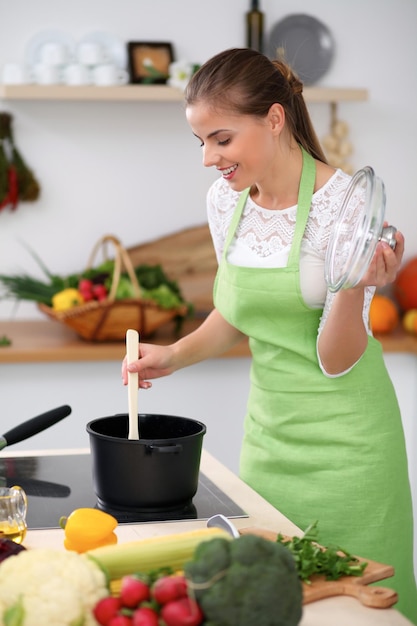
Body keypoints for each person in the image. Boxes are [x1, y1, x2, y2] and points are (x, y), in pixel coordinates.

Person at [122, 48, 417, 622]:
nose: (209, 158)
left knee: (361, 610)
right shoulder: (226, 203)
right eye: (201, 142)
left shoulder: (345, 205)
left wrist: (356, 284)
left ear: (275, 119)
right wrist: (175, 356)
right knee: (267, 600)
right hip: (268, 441)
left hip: (350, 447)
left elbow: (336, 358)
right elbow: (236, 311)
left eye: (222, 139)